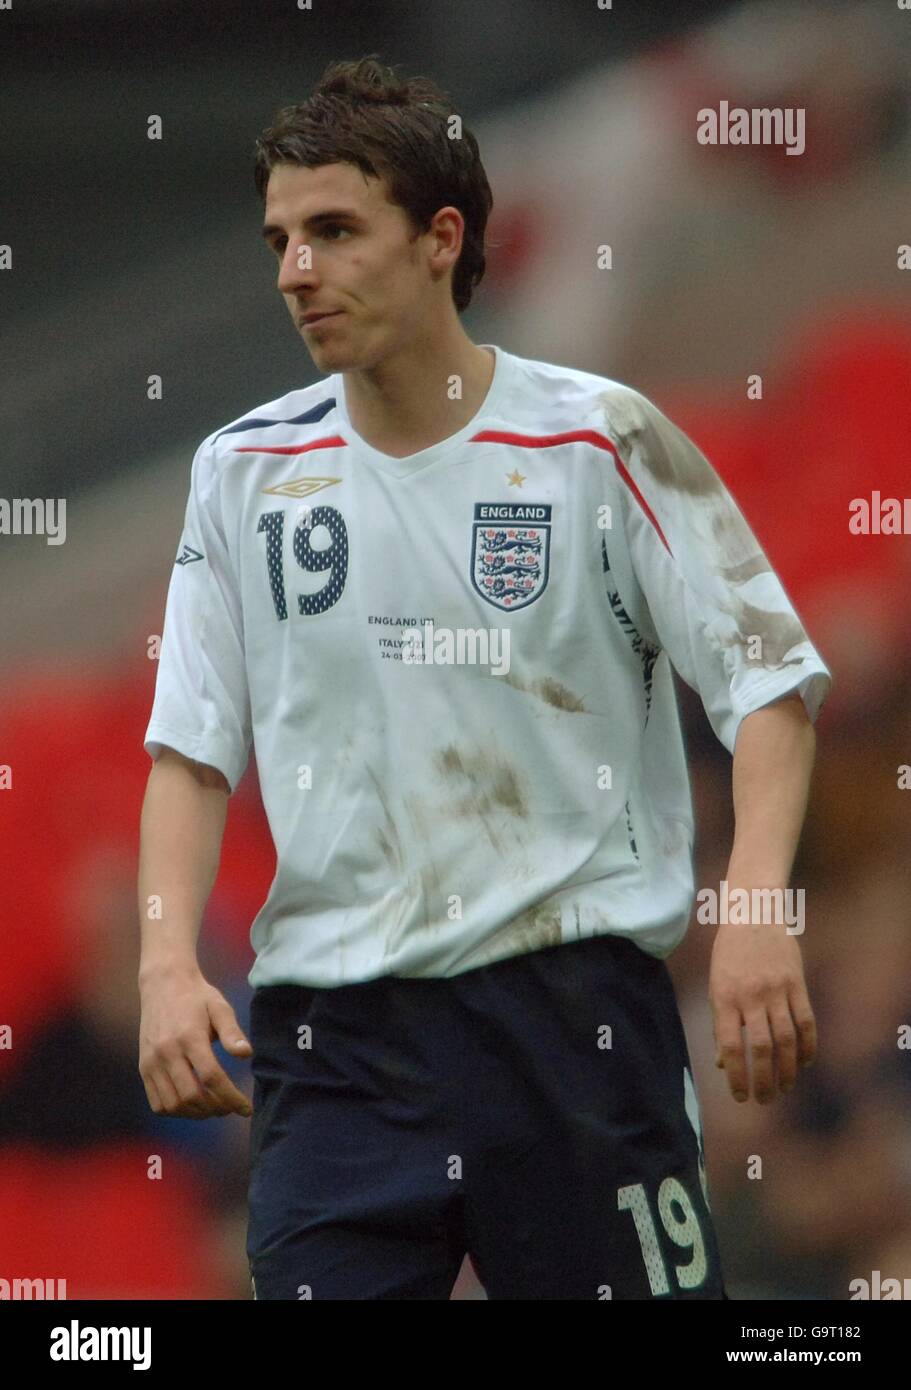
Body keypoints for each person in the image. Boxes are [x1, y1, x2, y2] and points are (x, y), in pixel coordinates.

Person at [138, 55, 832, 1300]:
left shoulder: (599, 440)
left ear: (438, 237)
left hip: (574, 1018)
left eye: (335, 230)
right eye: (280, 238)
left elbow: (767, 685)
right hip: (338, 1044)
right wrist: (165, 967)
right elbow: (190, 747)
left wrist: (754, 908)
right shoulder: (239, 474)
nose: (297, 269)